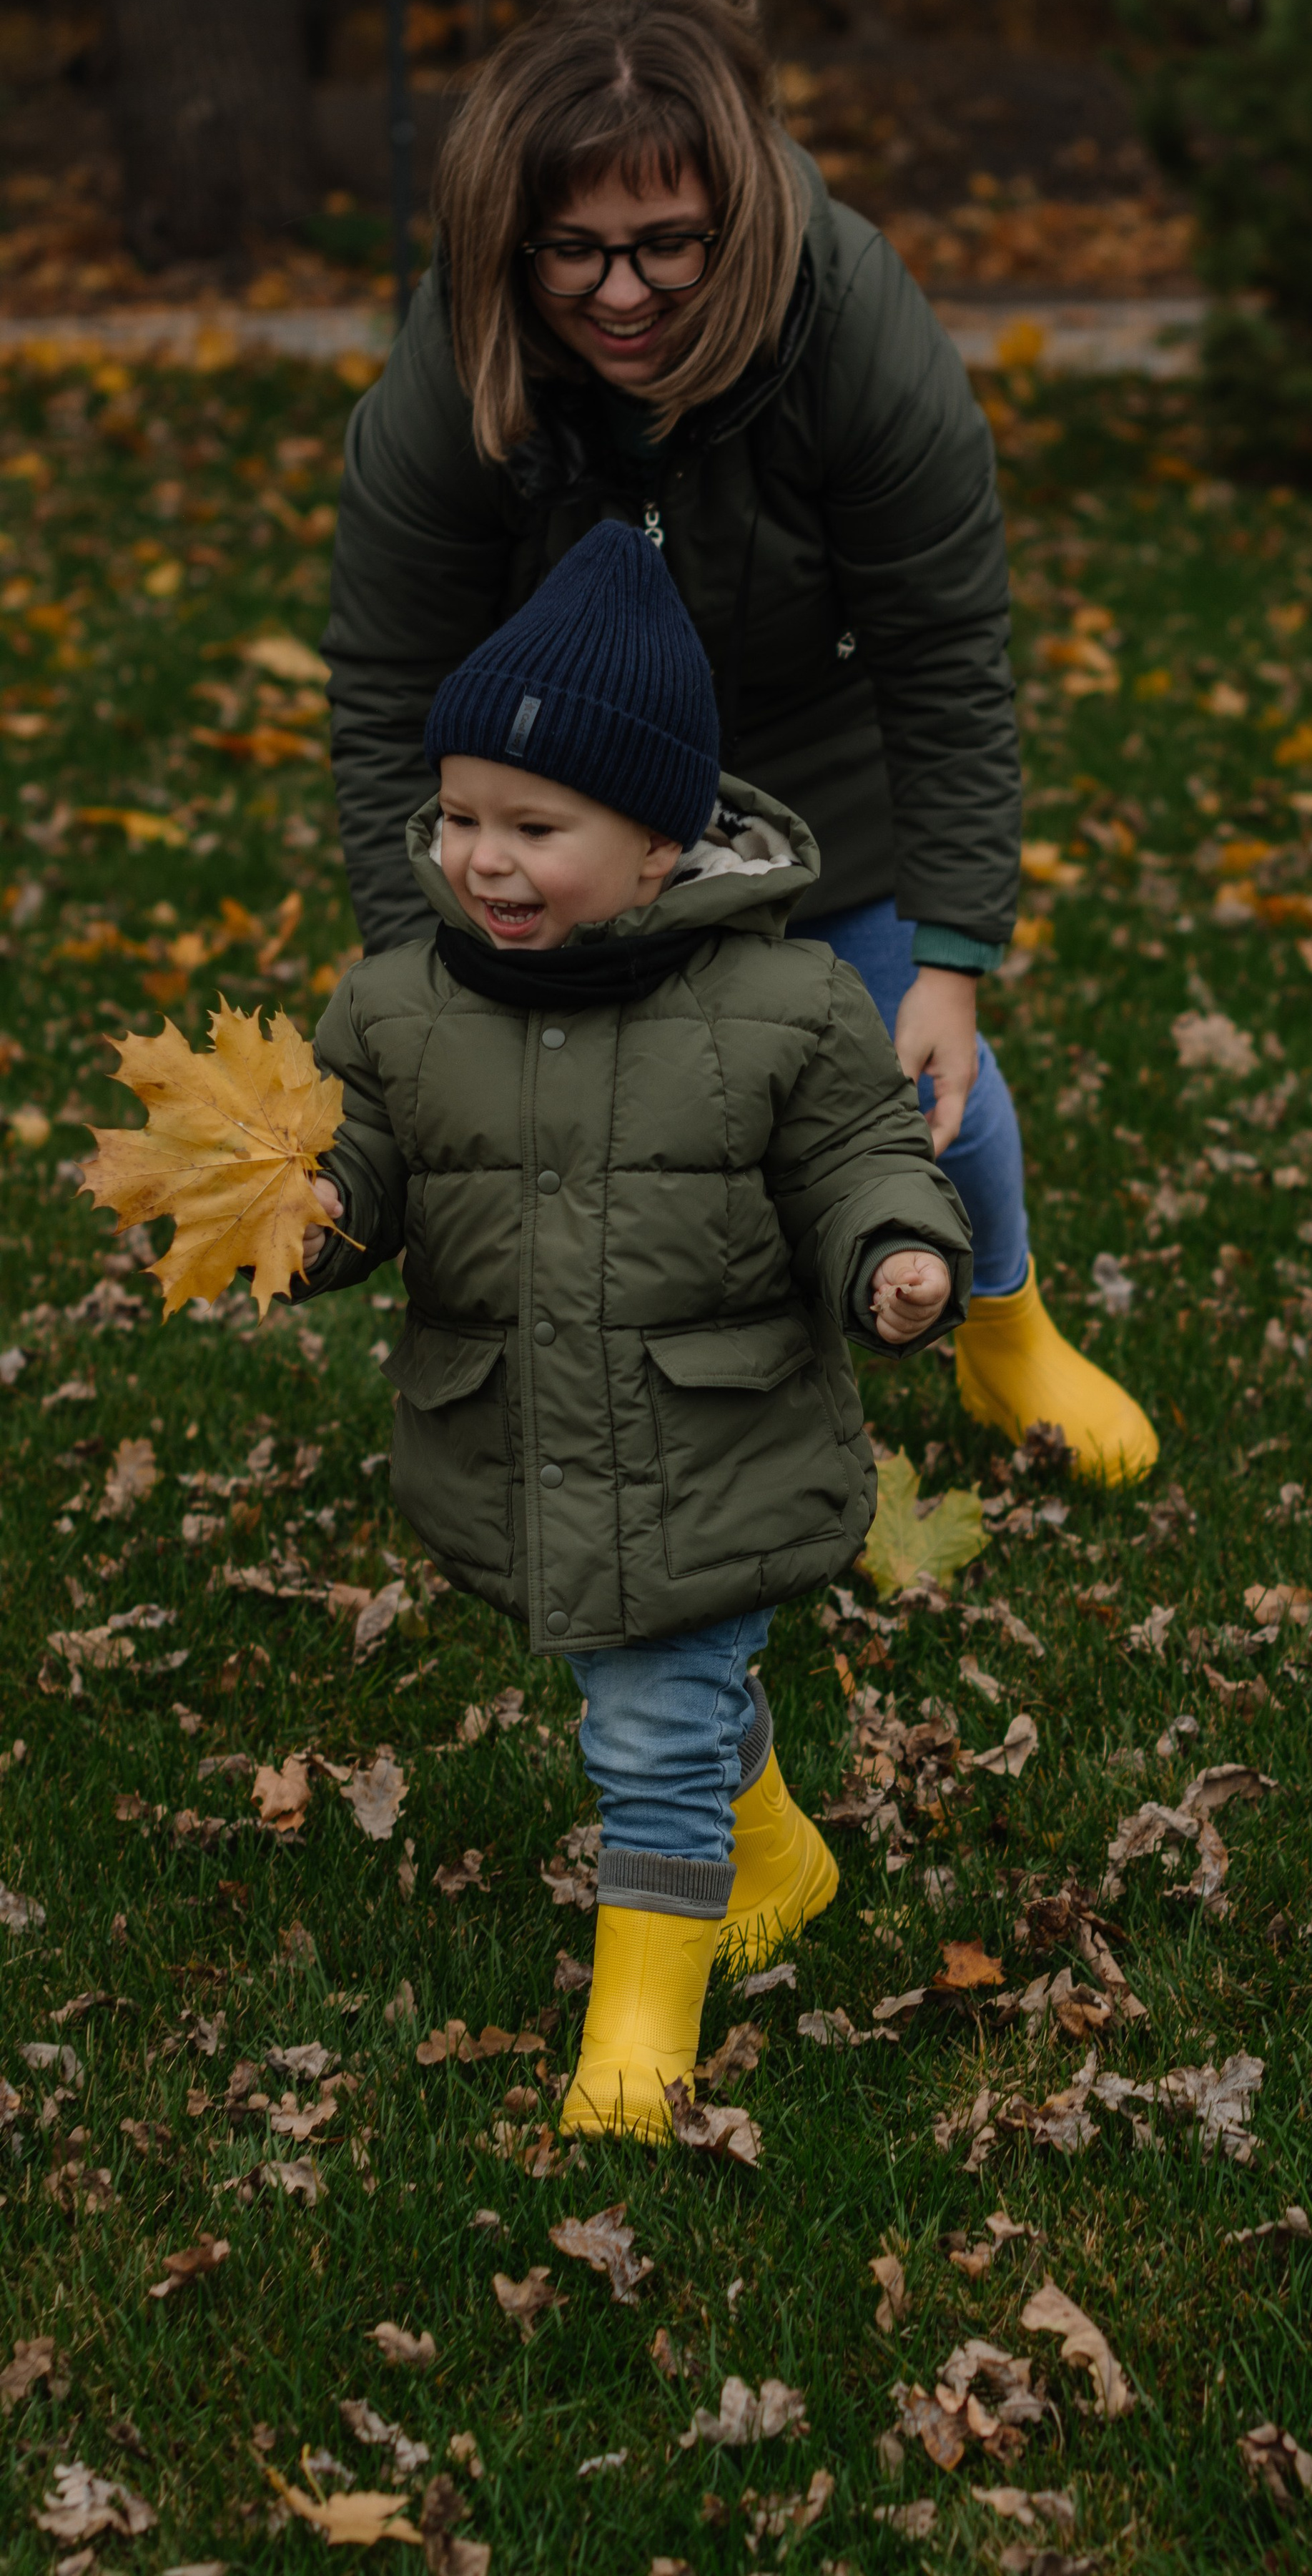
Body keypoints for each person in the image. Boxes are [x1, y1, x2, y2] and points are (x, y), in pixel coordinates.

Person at [323, 0, 1158, 1484]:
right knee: (581, 1119)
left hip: (824, 774)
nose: (621, 293)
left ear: (739, 215)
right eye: (573, 252)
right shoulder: (459, 361)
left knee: (921, 1092)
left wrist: (953, 955)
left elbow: (944, 646)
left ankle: (1003, 1316)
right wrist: (418, 949)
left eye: (664, 247)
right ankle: (624, 1393)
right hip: (553, 806)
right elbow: (388, 675)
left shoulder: (853, 329)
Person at [300, 521, 972, 2140]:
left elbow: (857, 1157)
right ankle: (778, 1851)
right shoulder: (397, 1007)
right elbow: (361, 1169)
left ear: (665, 846)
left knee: (651, 1715)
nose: (484, 857)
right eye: (460, 816)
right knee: (645, 1666)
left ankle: (639, 2024)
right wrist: (303, 1218)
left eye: (537, 824)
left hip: (710, 1432)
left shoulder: (787, 1005)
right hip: (522, 1430)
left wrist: (895, 1249)